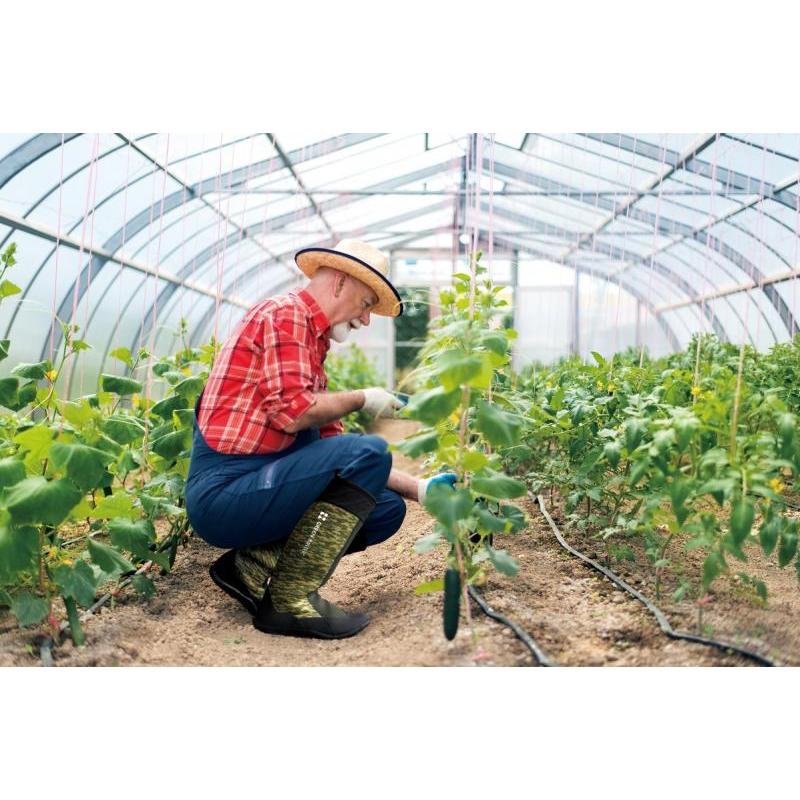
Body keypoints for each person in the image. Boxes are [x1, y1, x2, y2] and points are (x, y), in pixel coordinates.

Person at [184, 238, 455, 640]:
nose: (367, 321)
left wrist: (421, 489)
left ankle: (252, 568)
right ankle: (288, 601)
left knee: (383, 510)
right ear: (341, 283)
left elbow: (333, 449)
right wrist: (363, 398)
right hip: (225, 490)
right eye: (366, 304)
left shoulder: (312, 345)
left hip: (256, 484)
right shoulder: (287, 315)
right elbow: (293, 414)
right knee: (370, 452)